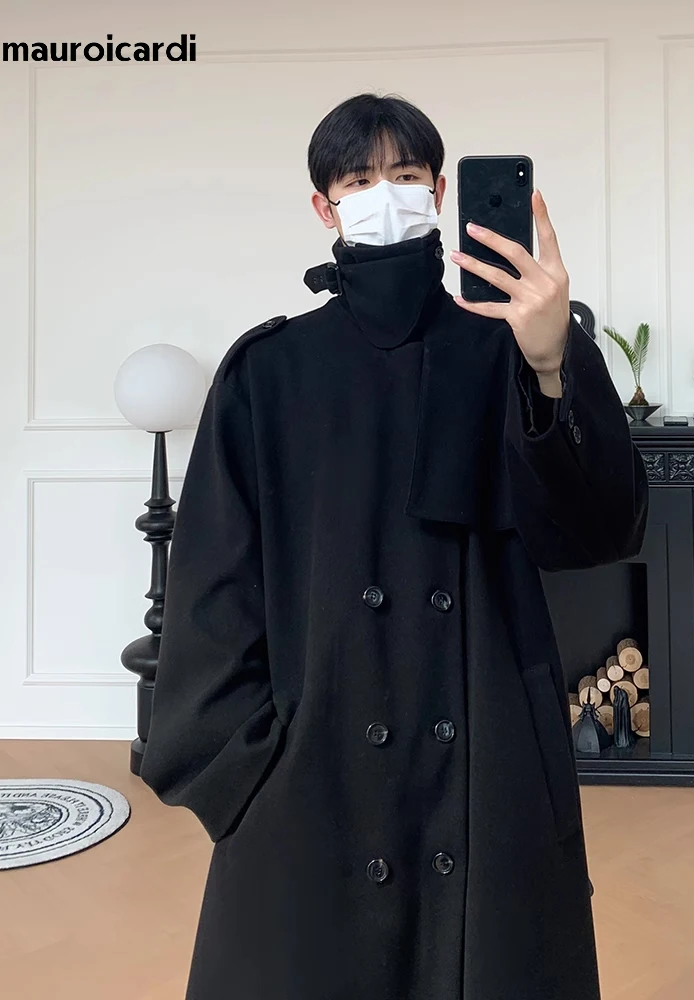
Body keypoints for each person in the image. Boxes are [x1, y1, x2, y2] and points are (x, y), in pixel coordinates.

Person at [139, 92, 649, 1000]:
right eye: (358, 180)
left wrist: (550, 362)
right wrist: (246, 775)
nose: (386, 194)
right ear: (324, 207)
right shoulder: (268, 373)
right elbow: (211, 592)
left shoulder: (509, 347)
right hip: (316, 775)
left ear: (441, 191)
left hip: (486, 760)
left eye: (406, 175)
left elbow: (599, 531)